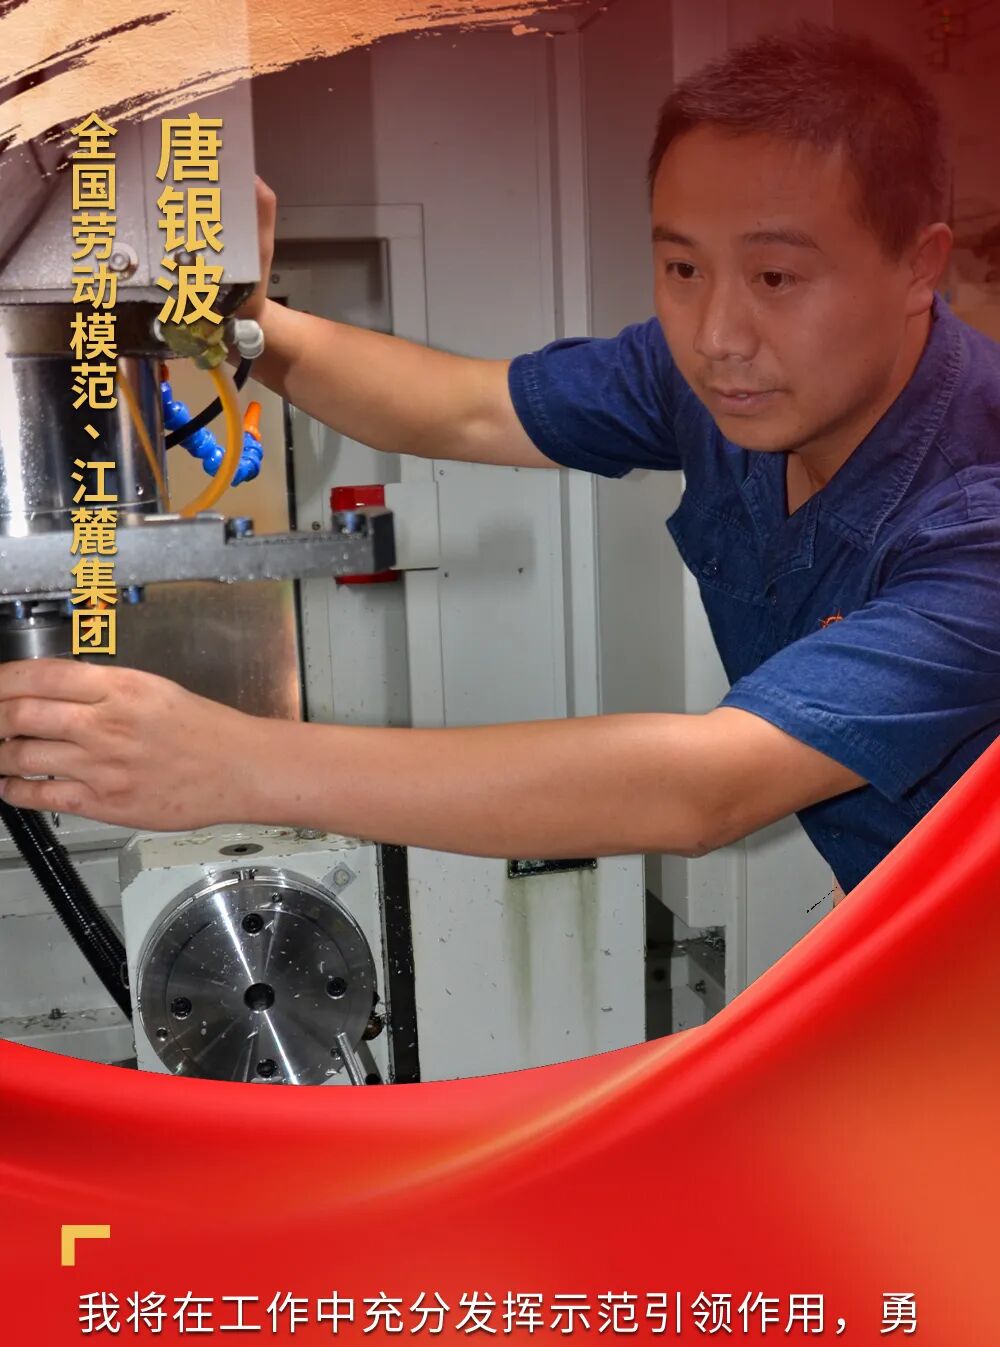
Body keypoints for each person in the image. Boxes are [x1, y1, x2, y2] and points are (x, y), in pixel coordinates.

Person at [1, 23, 997, 896]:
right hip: (896, 907)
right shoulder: (710, 375)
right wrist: (237, 319)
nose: (717, 335)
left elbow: (708, 788)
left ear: (919, 266)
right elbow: (469, 411)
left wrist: (232, 765)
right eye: (682, 267)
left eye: (776, 276)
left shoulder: (977, 514)